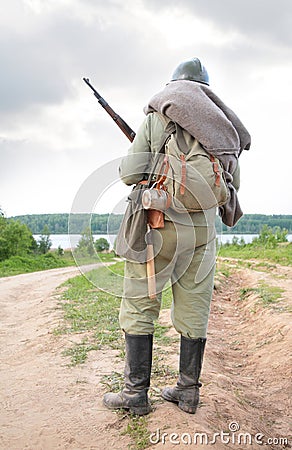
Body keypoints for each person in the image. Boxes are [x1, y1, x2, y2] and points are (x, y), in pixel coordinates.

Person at [103, 57, 251, 415]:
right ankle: (188, 393)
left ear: (174, 87)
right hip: (202, 230)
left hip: (160, 222)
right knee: (195, 305)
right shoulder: (225, 128)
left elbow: (129, 173)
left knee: (140, 301)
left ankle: (135, 394)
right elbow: (233, 186)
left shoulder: (158, 117)